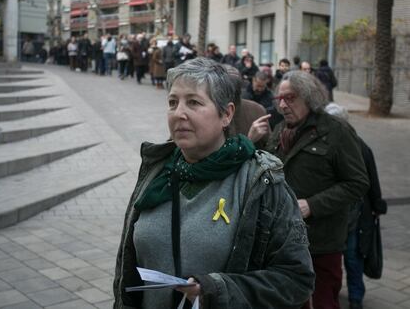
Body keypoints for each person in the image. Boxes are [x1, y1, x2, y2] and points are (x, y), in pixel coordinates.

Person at [113, 58, 315, 309]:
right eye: (173, 102)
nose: (179, 113)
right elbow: (127, 271)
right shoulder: (156, 171)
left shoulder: (261, 183)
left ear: (226, 114)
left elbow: (296, 279)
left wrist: (217, 291)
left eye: (194, 102)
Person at [265, 71, 369, 309]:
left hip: (321, 243)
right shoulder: (280, 129)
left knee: (322, 303)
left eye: (289, 98)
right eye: (279, 99)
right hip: (282, 242)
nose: (282, 105)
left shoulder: (336, 131)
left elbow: (357, 183)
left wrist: (312, 205)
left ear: (309, 97)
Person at [325, 103, 387, 309]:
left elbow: (371, 181)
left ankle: (354, 299)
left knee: (352, 259)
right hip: (332, 214)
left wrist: (377, 205)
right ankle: (346, 297)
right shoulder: (325, 145)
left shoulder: (360, 147)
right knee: (341, 260)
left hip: (353, 215)